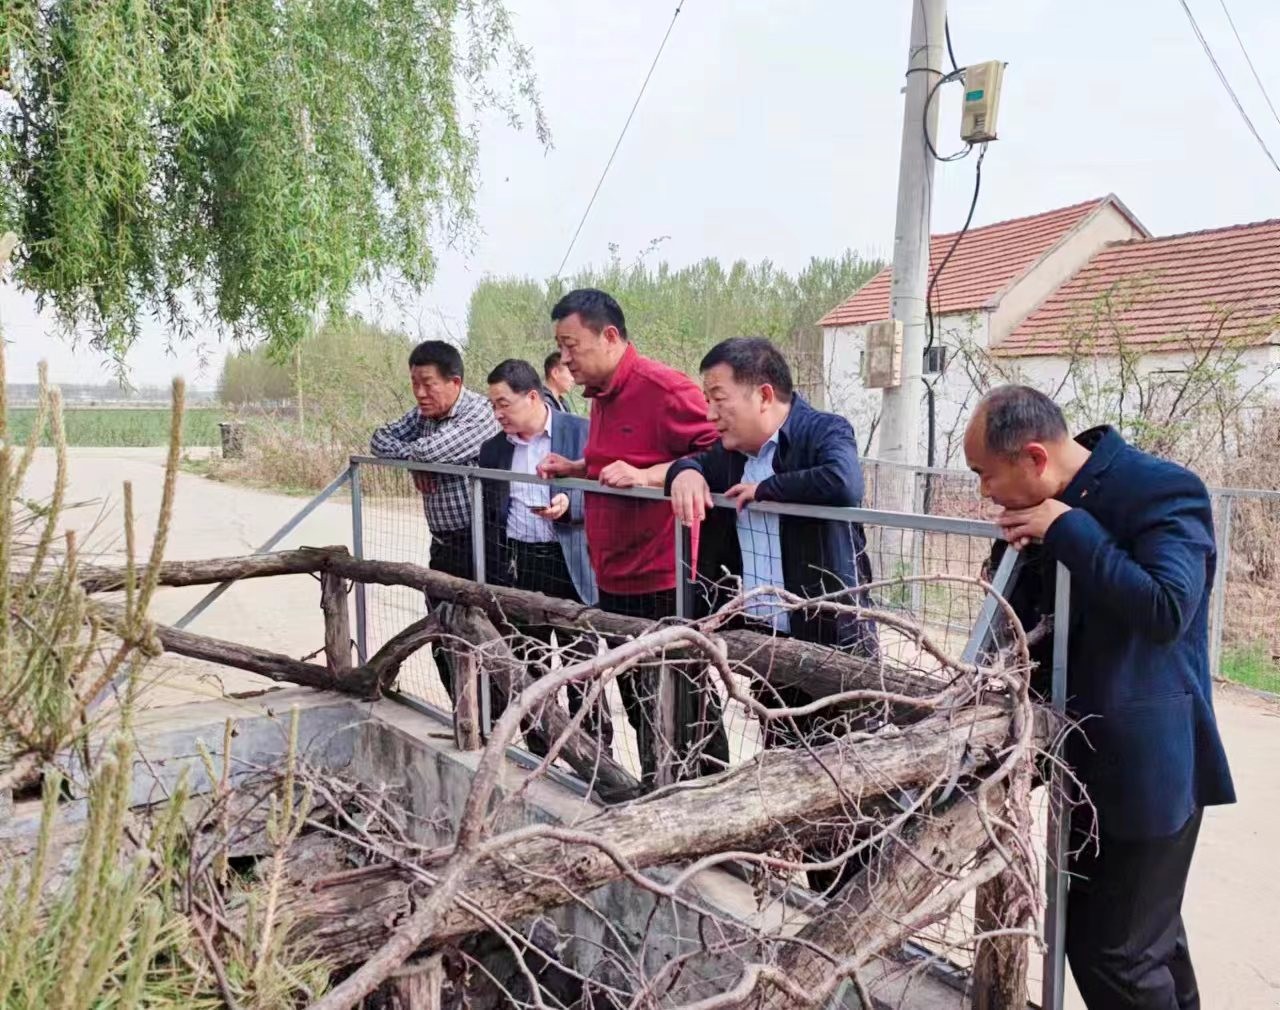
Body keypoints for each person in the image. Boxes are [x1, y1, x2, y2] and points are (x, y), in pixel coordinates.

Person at [963, 385, 1235, 1010]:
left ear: (1035, 457)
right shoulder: (1045, 504)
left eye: (986, 475)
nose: (983, 492)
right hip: (1077, 763)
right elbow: (1032, 623)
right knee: (1145, 945)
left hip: (1149, 771)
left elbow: (1166, 608)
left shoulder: (1163, 490)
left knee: (1117, 956)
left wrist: (1067, 529)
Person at [666, 336, 878, 892]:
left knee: (846, 786)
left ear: (763, 395)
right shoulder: (727, 453)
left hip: (833, 642)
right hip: (767, 644)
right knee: (789, 775)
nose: (710, 413)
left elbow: (844, 482)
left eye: (718, 399)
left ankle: (855, 902)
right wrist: (684, 473)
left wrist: (769, 488)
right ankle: (815, 893)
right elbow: (690, 462)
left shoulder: (823, 431)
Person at [537, 288, 724, 784]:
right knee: (641, 700)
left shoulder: (663, 389)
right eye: (560, 347)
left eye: (571, 345)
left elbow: (718, 452)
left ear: (610, 336)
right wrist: (577, 466)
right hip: (614, 576)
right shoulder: (601, 395)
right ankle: (655, 787)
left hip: (663, 580)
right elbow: (617, 460)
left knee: (686, 701)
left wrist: (648, 476)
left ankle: (710, 793)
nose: (565, 359)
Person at [478, 358, 609, 754]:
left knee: (582, 667)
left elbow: (606, 496)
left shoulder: (581, 432)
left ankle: (595, 757)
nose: (498, 414)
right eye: (493, 406)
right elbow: (490, 515)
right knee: (529, 665)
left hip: (570, 564)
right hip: (520, 565)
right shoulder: (493, 450)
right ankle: (540, 752)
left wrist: (571, 506)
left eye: (504, 403)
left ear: (532, 397)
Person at [370, 340, 500, 695]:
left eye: (428, 384)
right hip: (442, 543)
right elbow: (379, 439)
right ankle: (462, 712)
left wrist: (419, 461)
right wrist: (417, 463)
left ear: (455, 382)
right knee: (441, 636)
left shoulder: (479, 413)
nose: (420, 393)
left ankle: (491, 718)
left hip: (480, 544)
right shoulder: (423, 415)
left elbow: (433, 452)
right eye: (414, 384)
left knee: (482, 637)